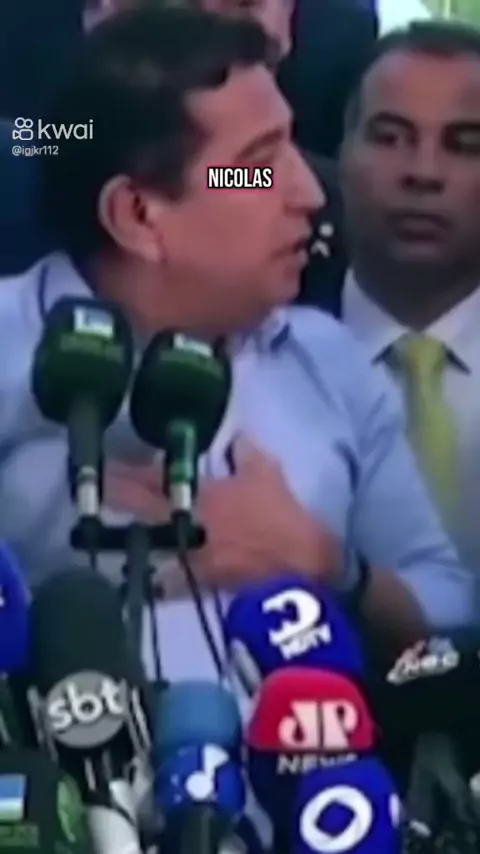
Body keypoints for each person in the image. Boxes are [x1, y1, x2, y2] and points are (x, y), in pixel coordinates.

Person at [0, 8, 473, 684]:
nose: (309, 194)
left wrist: (331, 565)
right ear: (138, 214)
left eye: (293, 150)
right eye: (258, 167)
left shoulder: (330, 360)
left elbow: (451, 606)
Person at [338, 21, 480, 610]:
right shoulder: (250, 350)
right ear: (339, 156)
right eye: (391, 137)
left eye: (465, 145)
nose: (423, 172)